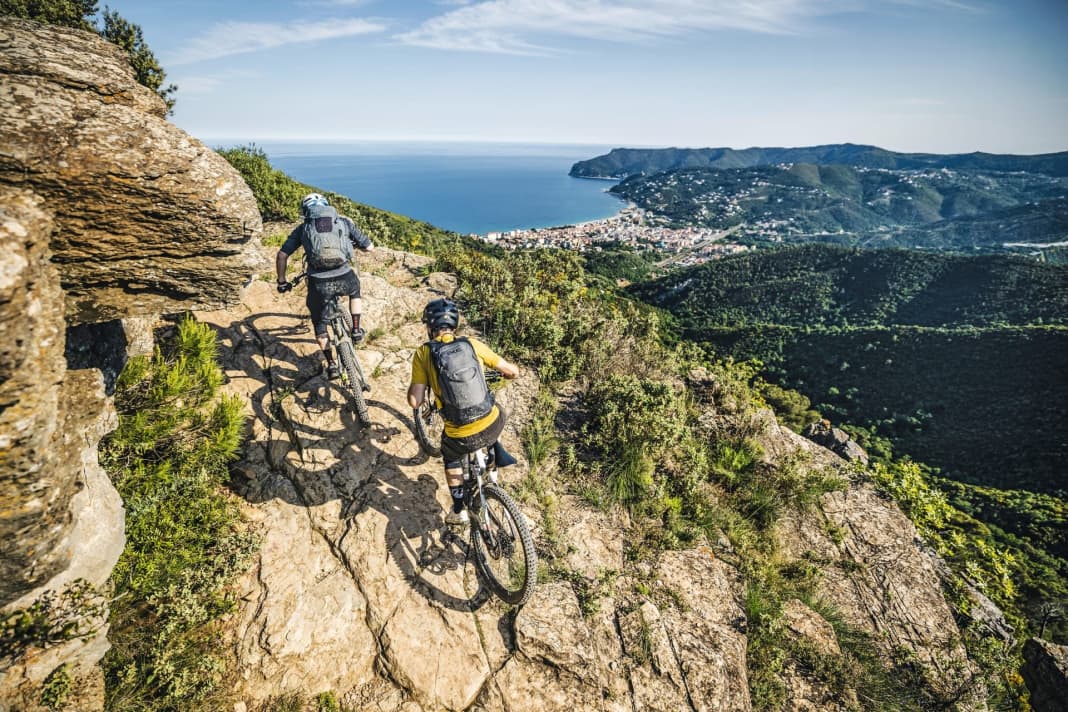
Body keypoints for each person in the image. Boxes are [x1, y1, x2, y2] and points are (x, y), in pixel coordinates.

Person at [407, 298, 520, 525]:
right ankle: (491, 461)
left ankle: (458, 510)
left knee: (450, 456)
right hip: (492, 424)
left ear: (430, 327)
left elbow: (414, 401)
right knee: (497, 412)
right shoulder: (471, 344)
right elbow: (511, 371)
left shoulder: (423, 354)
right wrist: (510, 373)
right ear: (454, 325)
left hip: (460, 434)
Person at [277, 193, 373, 380]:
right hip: (344, 274)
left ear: (306, 211)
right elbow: (370, 247)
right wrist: (355, 245)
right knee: (355, 291)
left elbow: (282, 255)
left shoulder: (303, 228)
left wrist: (282, 282)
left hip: (318, 282)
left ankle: (331, 365)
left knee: (320, 324)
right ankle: (356, 329)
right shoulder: (343, 222)